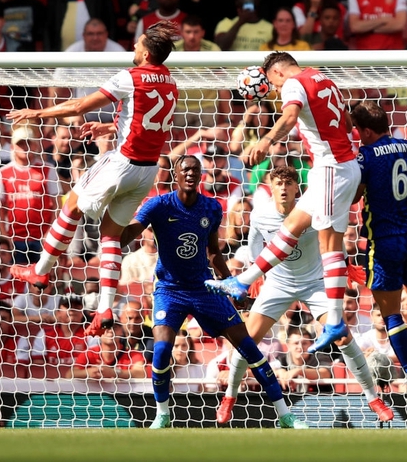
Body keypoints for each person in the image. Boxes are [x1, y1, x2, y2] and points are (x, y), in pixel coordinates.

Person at [6, 21, 179, 338]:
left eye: (137, 44)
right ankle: (104, 308)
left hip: (121, 162)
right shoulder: (170, 82)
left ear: (145, 52)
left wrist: (37, 114)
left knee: (71, 204)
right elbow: (149, 123)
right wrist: (110, 129)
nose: (134, 48)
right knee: (111, 234)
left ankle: (40, 272)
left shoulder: (131, 76)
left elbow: (79, 104)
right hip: (148, 169)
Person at [116, 155, 308, 429]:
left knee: (250, 348)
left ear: (201, 175)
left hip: (204, 288)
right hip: (170, 289)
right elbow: (125, 237)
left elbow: (214, 252)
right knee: (161, 351)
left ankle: (285, 414)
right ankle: (162, 413)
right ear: (176, 175)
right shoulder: (158, 205)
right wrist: (117, 213)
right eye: (186, 170)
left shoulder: (212, 208)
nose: (191, 173)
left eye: (196, 169)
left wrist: (231, 282)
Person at [206, 51, 360, 354]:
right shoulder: (322, 77)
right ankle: (243, 281)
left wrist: (264, 140)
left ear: (276, 73)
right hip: (338, 167)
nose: (277, 92)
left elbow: (289, 116)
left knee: (331, 246)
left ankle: (336, 321)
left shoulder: (293, 83)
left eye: (273, 87)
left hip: (332, 167)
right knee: (291, 227)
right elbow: (347, 123)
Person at [218, 166, 393, 423]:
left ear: (297, 188)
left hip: (314, 283)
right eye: (278, 184)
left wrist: (345, 262)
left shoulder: (313, 211)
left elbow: (333, 240)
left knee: (342, 337)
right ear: (271, 187)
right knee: (246, 341)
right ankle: (229, 397)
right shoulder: (260, 215)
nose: (283, 189)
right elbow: (255, 246)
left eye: (289, 184)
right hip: (278, 284)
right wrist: (260, 277)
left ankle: (373, 398)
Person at [348, 101, 407, 403]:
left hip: (384, 242)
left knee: (390, 312)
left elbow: (353, 195)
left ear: (365, 130)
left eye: (357, 131)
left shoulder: (365, 157)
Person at [0, 127, 60, 265]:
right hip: (14, 238)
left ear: (35, 145)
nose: (25, 147)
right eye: (20, 144)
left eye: (28, 143)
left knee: (43, 279)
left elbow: (57, 203)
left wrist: (51, 233)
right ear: (12, 147)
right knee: (18, 278)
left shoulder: (47, 169)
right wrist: (4, 235)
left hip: (42, 238)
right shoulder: (3, 172)